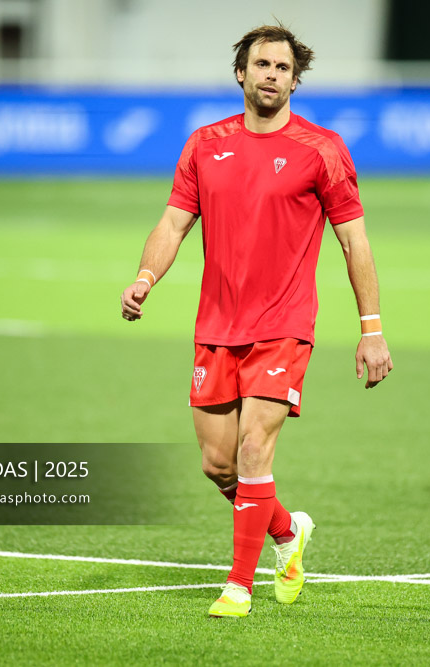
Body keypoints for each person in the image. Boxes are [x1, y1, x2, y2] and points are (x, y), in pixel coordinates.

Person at [119, 23, 393, 618]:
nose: (271, 75)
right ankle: (288, 533)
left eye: (283, 68)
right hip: (216, 326)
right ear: (240, 73)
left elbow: (355, 243)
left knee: (252, 449)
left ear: (296, 79)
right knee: (218, 465)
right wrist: (145, 278)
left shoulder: (321, 149)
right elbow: (172, 225)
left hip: (284, 325)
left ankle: (238, 586)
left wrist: (371, 328)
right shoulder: (203, 143)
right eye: (261, 65)